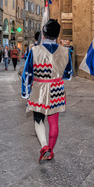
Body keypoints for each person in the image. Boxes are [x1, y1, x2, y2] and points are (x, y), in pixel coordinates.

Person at [21, 19, 72, 163]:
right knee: (54, 121)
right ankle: (51, 150)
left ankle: (44, 145)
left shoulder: (34, 50)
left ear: (43, 33)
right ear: (57, 35)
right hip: (57, 89)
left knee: (38, 118)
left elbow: (27, 73)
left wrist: (25, 92)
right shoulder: (65, 51)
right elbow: (68, 74)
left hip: (39, 88)